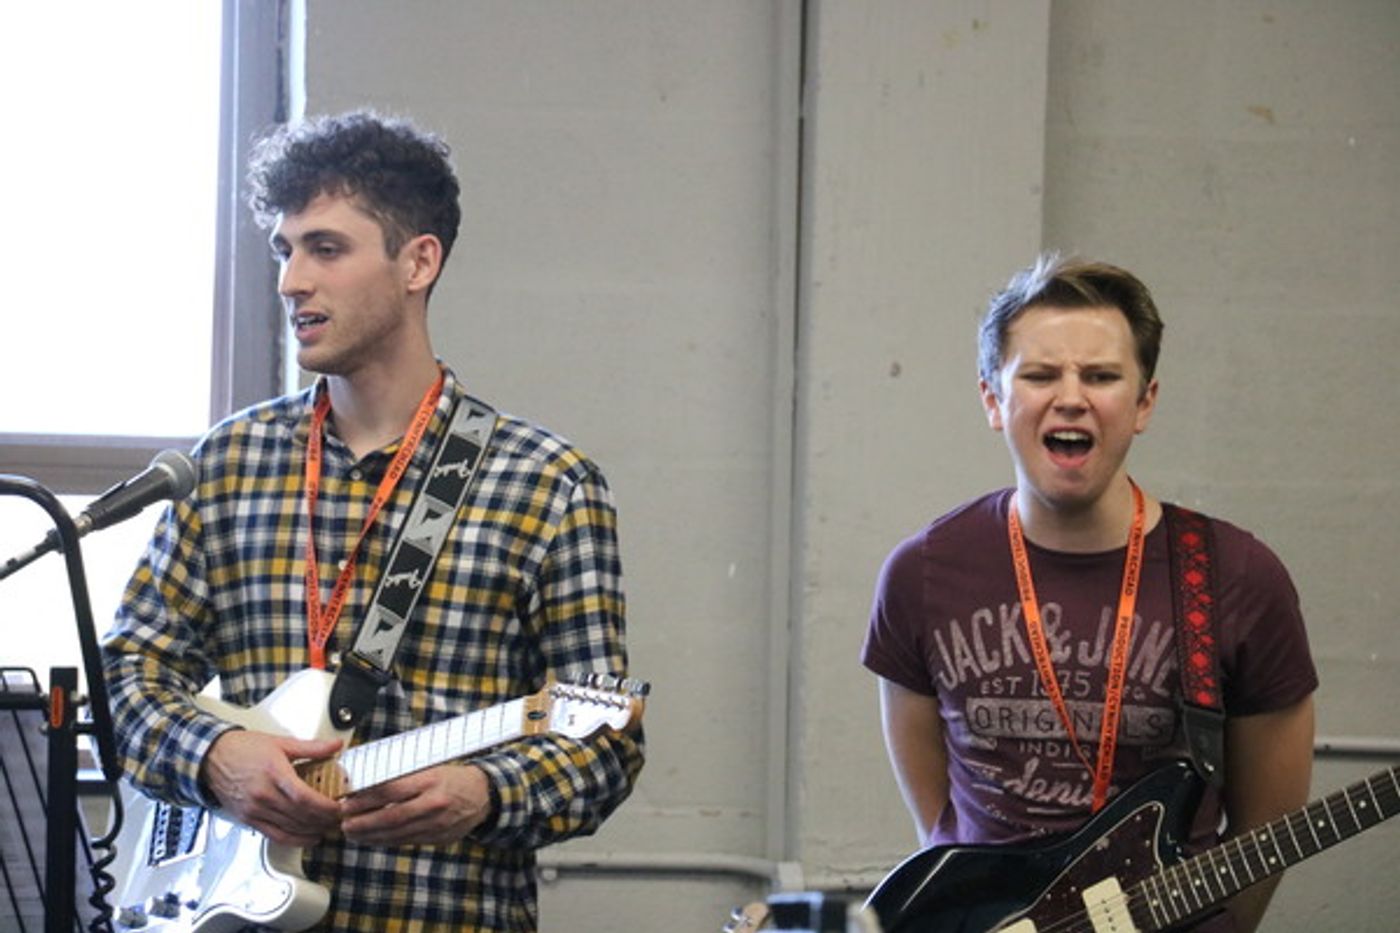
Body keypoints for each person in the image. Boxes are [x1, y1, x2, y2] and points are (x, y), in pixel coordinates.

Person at [102, 110, 644, 931]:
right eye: (284, 250)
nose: (290, 280)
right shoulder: (230, 461)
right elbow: (126, 672)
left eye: (326, 248)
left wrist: (488, 791)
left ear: (418, 260)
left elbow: (604, 738)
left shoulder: (547, 483)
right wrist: (216, 756)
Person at [861, 254, 1316, 933]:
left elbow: (1265, 833)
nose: (1070, 396)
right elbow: (938, 816)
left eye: (1101, 376)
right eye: (1040, 374)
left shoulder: (1239, 577)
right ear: (993, 399)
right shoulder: (921, 573)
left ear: (1144, 403)